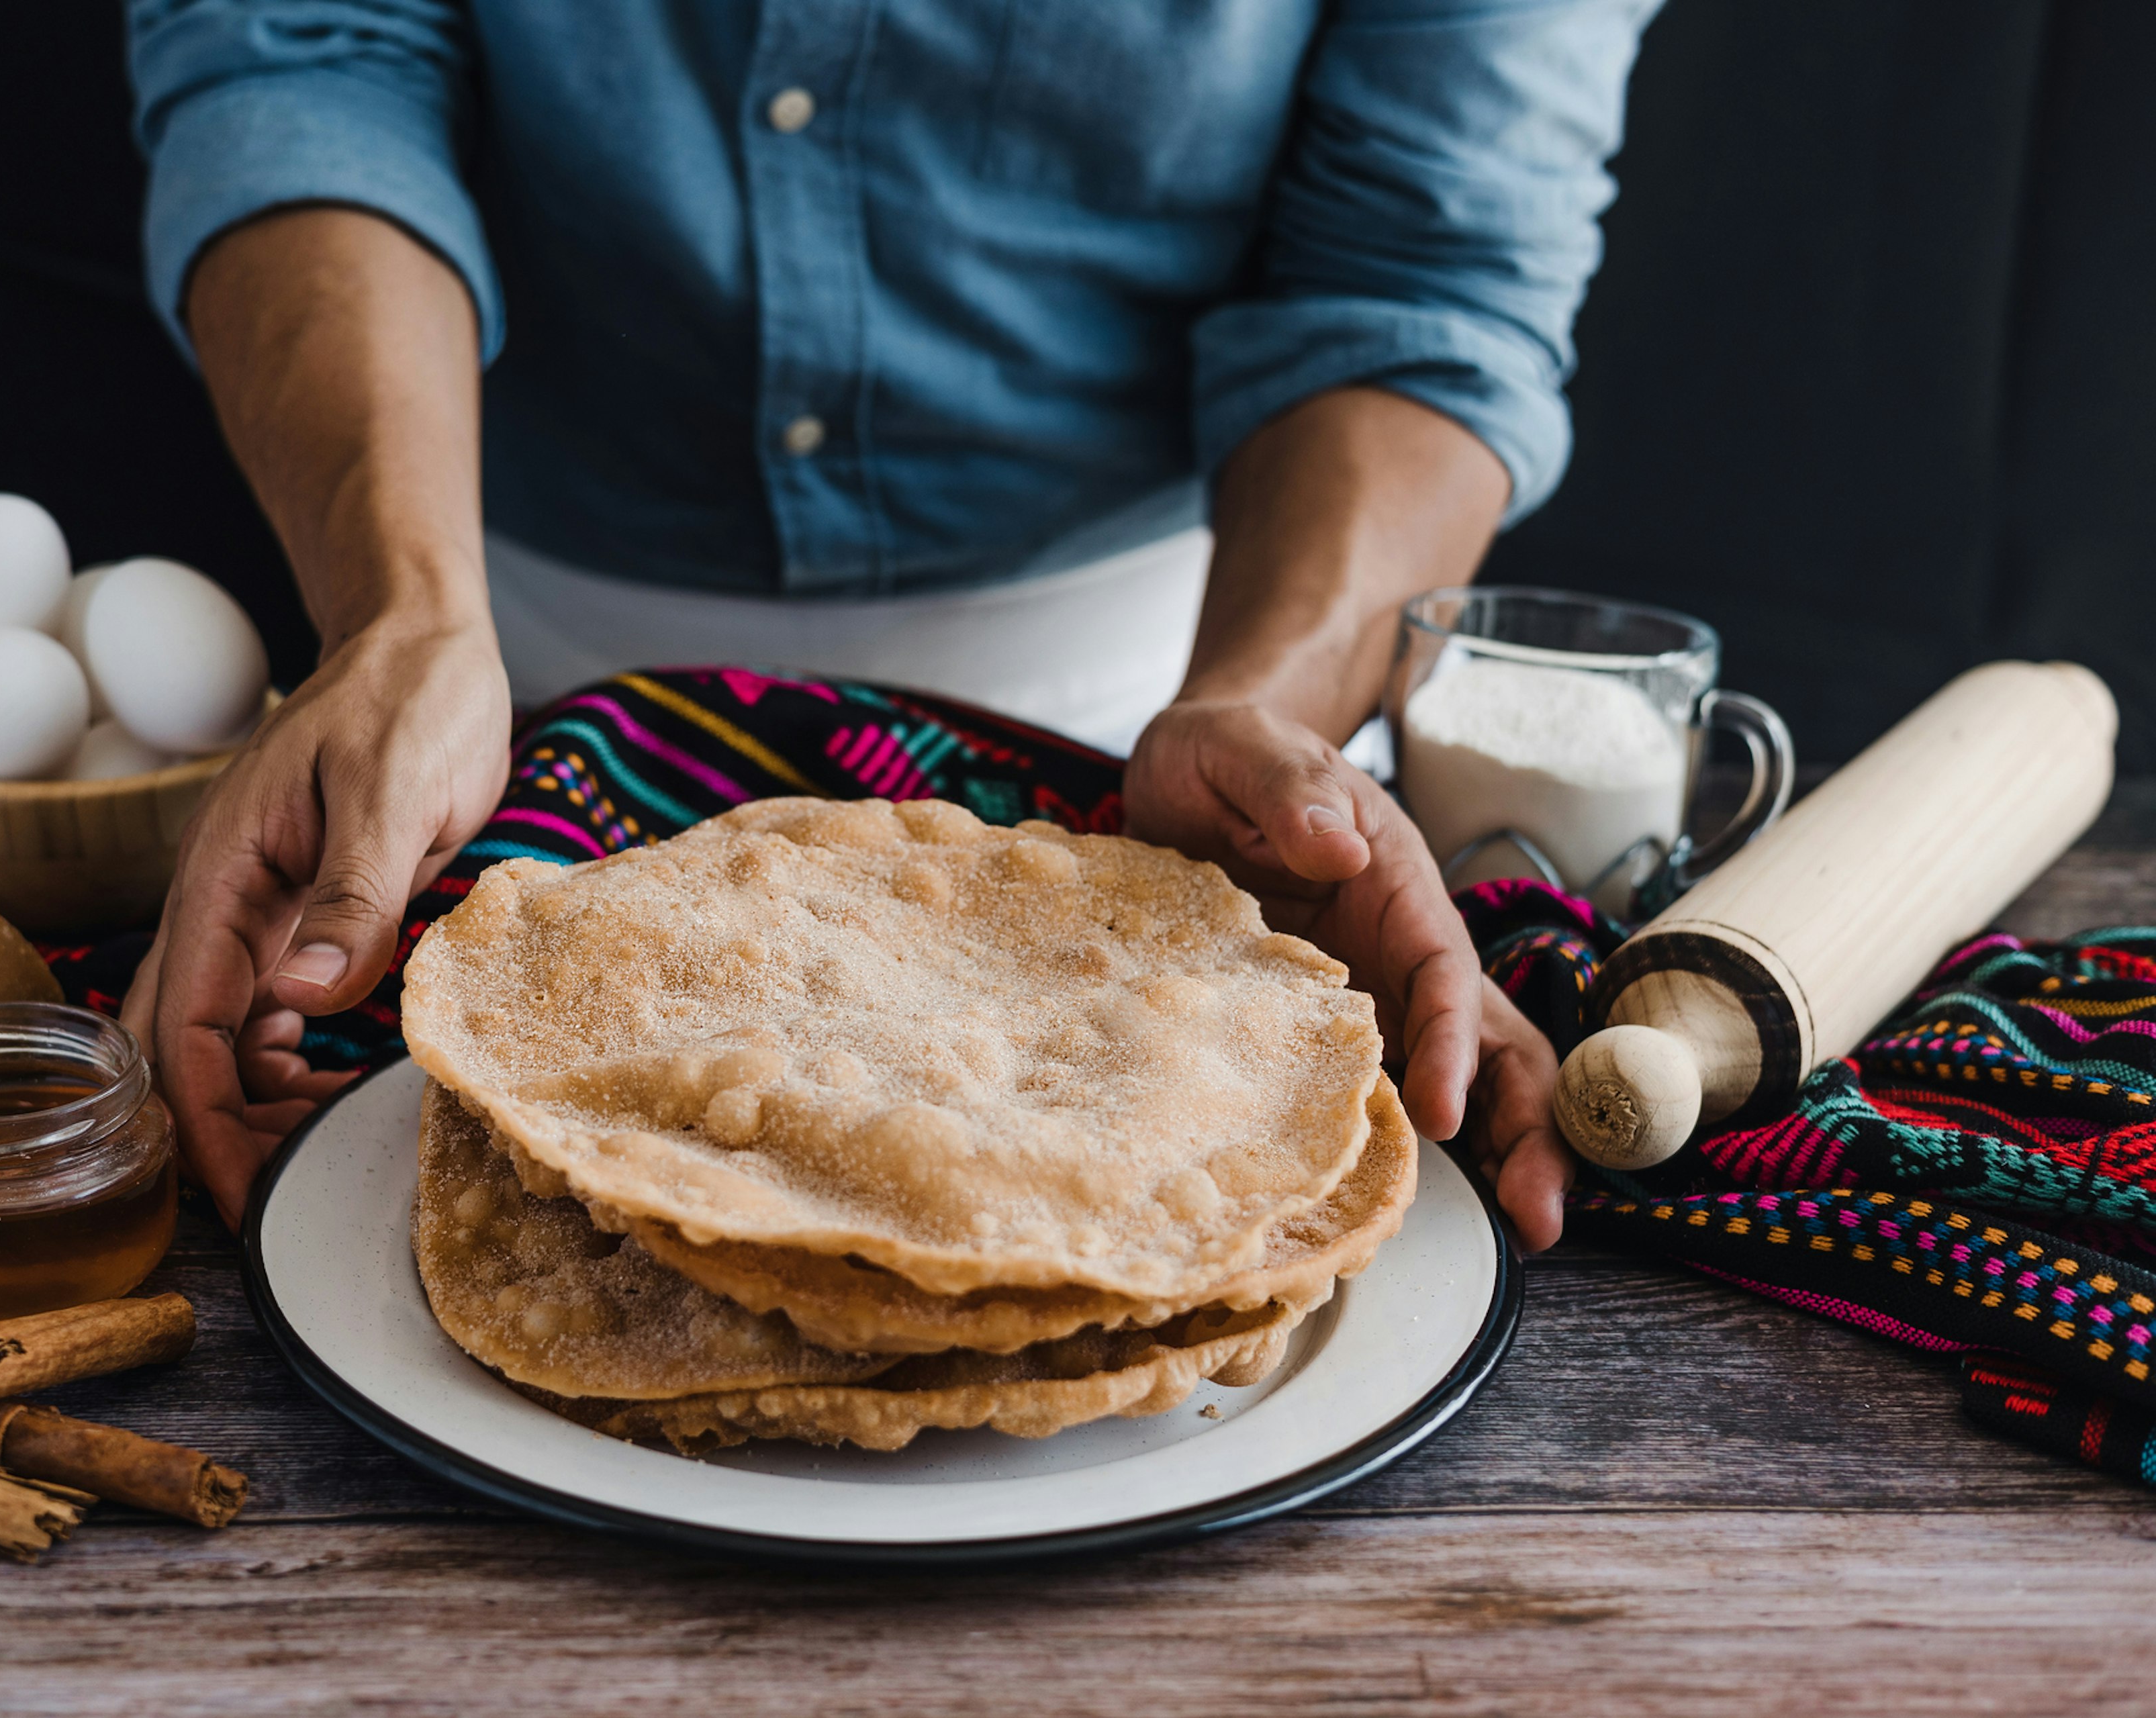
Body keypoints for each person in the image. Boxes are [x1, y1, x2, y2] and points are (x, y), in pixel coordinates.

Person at [118, 0, 1664, 1250]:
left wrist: (1272, 699)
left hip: (1177, 717)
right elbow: (303, 59)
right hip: (494, 681)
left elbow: (1425, 261)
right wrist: (400, 611)